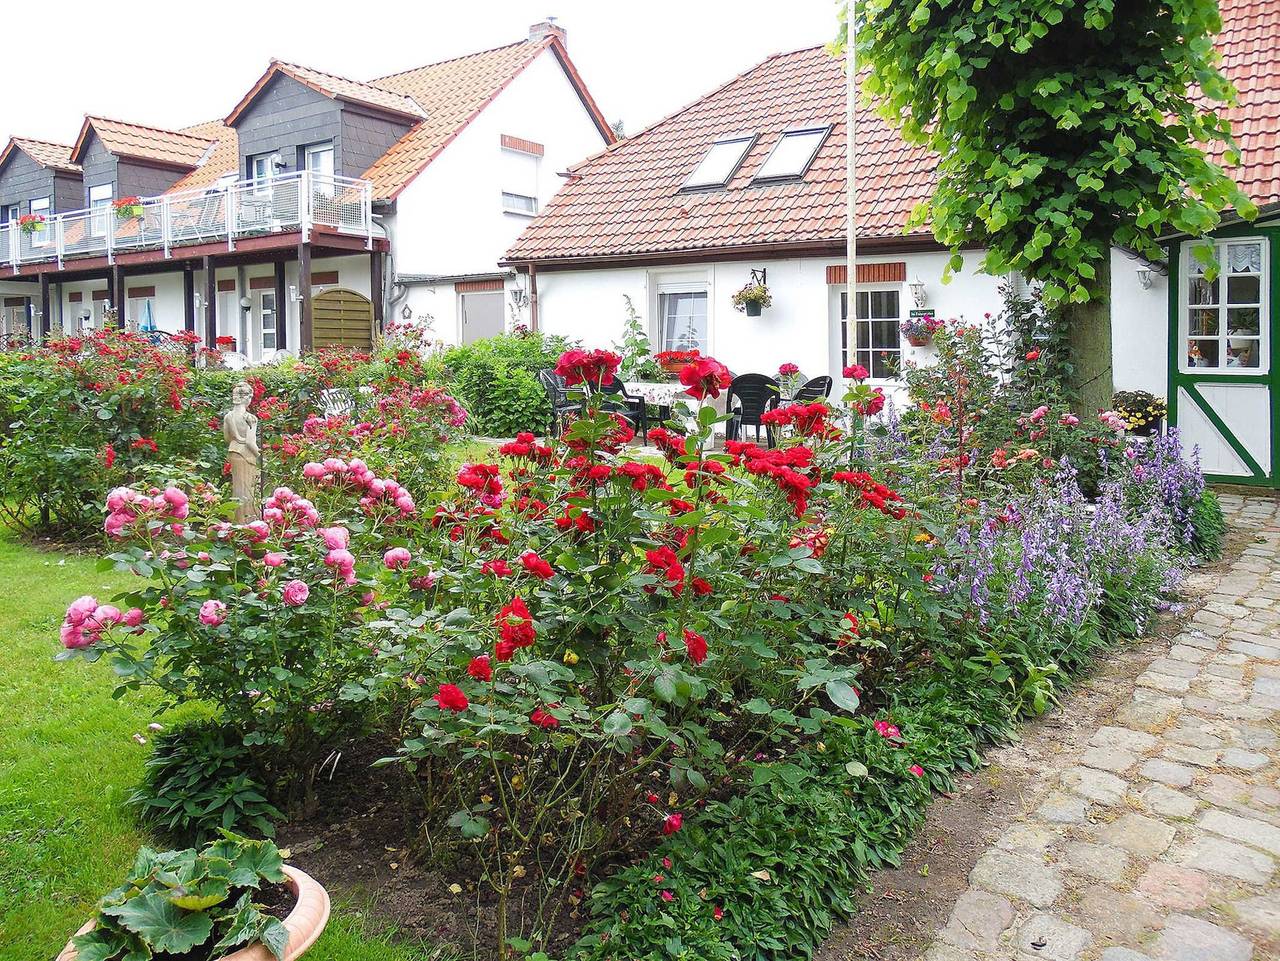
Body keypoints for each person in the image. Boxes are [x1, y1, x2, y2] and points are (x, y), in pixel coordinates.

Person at [222, 381, 261, 522]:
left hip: (233, 451)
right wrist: (261, 456)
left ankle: (236, 521)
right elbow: (251, 442)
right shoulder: (250, 418)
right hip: (247, 454)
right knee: (249, 488)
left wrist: (237, 437)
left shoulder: (228, 417)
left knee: (238, 488)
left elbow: (227, 438)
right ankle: (248, 521)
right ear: (247, 398)